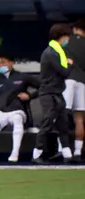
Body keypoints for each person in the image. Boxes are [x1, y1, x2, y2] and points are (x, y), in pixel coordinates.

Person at [0, 53, 34, 163]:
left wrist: (30, 96)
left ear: (11, 63)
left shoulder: (22, 77)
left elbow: (42, 87)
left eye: (3, 62)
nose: (0, 65)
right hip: (1, 113)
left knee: (17, 118)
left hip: (17, 111)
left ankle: (14, 154)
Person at [32, 24, 74, 162]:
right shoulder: (51, 53)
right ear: (61, 36)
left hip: (57, 92)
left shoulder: (57, 52)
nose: (68, 39)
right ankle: (36, 154)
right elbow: (64, 72)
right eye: (67, 36)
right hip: (48, 93)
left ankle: (67, 154)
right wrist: (69, 64)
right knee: (48, 122)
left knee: (63, 123)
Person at [69, 20, 85, 160]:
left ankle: (64, 152)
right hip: (82, 81)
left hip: (67, 80)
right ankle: (77, 152)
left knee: (60, 114)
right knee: (79, 118)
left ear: (75, 29)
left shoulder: (67, 42)